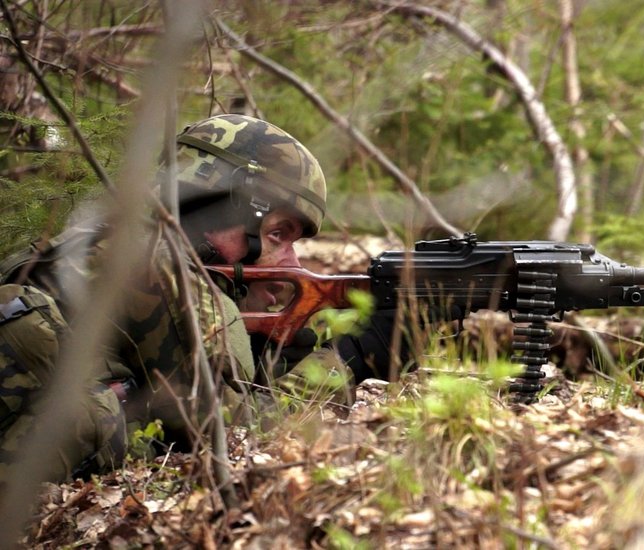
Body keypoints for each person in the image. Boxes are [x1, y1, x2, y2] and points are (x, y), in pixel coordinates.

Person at [0, 114, 392, 485]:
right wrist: (350, 356)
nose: (289, 261)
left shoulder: (109, 240)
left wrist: (273, 360)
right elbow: (236, 435)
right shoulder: (150, 265)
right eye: (278, 234)